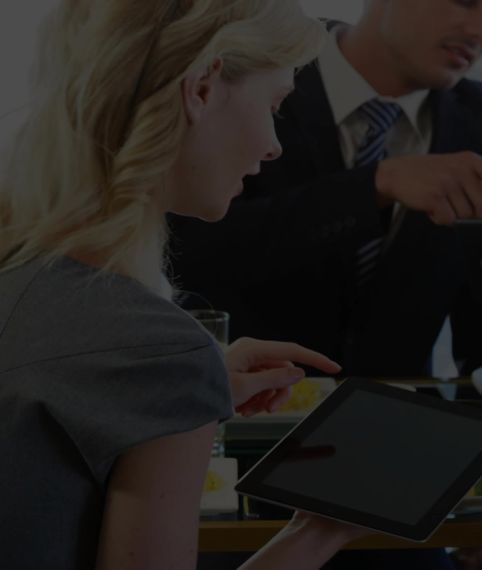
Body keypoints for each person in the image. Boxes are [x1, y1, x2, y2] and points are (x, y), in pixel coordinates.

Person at [0, 1, 375, 568]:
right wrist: (318, 532)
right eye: (274, 104)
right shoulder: (159, 352)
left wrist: (186, 387)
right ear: (201, 88)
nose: (274, 144)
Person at [168, 0, 482, 380]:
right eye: (465, 2)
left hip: (401, 420)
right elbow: (183, 254)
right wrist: (373, 187)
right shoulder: (250, 76)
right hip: (237, 412)